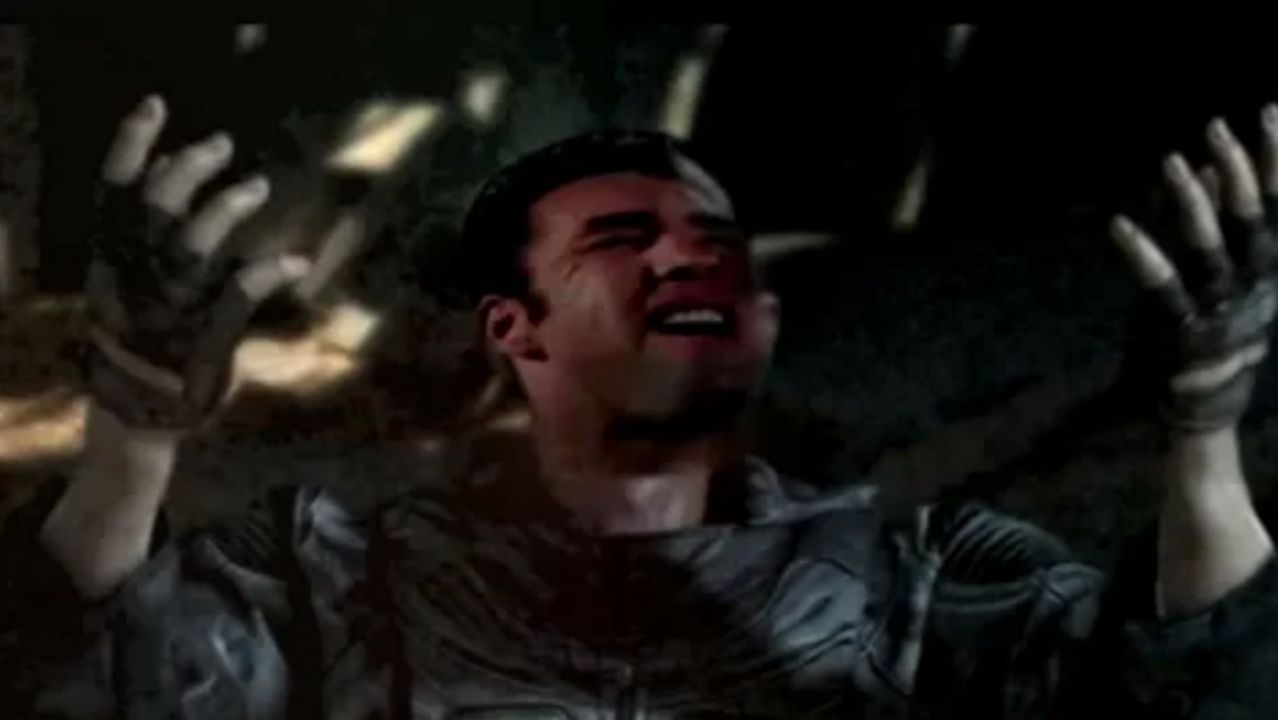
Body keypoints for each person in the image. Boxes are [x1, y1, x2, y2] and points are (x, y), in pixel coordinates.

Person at [2, 93, 1278, 719]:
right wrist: (135, 433)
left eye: (711, 243)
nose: (680, 263)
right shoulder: (338, 568)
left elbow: (1187, 695)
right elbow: (84, 679)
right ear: (516, 331)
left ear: (758, 323)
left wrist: (1206, 435)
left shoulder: (923, 576)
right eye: (620, 241)